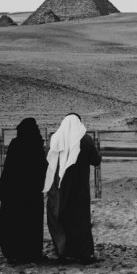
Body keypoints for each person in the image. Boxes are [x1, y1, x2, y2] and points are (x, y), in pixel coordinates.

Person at [43, 113, 102, 264]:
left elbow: (46, 158)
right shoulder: (85, 139)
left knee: (59, 217)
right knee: (80, 219)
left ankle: (62, 252)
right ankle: (83, 254)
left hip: (58, 188)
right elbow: (96, 160)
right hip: (79, 188)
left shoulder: (54, 139)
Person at [0, 117, 48, 264]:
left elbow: (8, 168)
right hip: (32, 192)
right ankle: (31, 254)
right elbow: (42, 168)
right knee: (31, 223)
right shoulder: (36, 144)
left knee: (14, 221)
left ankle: (14, 253)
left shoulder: (16, 143)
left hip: (14, 191)